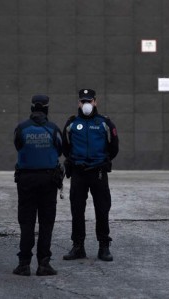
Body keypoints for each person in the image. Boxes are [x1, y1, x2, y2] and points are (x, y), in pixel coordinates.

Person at [62, 89, 119, 262]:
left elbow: (114, 147)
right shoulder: (72, 123)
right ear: (78, 103)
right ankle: (78, 246)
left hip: (98, 172)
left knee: (102, 210)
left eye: (90, 100)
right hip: (78, 172)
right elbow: (65, 146)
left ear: (96, 102)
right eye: (83, 101)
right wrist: (73, 160)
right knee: (77, 211)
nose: (86, 104)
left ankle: (104, 246)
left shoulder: (105, 123)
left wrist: (103, 160)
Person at [12, 94, 63, 277]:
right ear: (47, 108)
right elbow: (60, 148)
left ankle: (24, 264)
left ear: (32, 107)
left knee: (26, 223)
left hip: (26, 180)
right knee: (46, 223)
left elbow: (18, 146)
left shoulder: (22, 128)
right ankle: (44, 264)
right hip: (48, 180)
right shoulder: (53, 128)